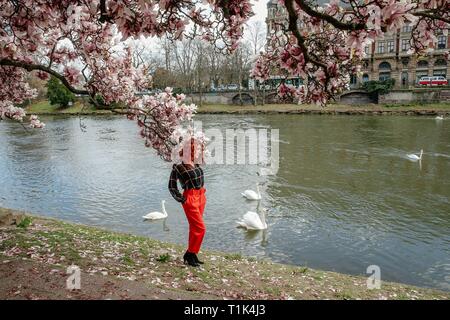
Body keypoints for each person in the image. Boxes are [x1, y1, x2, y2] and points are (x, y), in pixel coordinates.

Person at [168, 138, 206, 267]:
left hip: (201, 196)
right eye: (194, 148)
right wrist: (182, 199)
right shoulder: (178, 166)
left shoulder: (196, 163)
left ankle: (193, 255)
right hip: (190, 198)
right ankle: (189, 253)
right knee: (201, 228)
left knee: (194, 228)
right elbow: (172, 186)